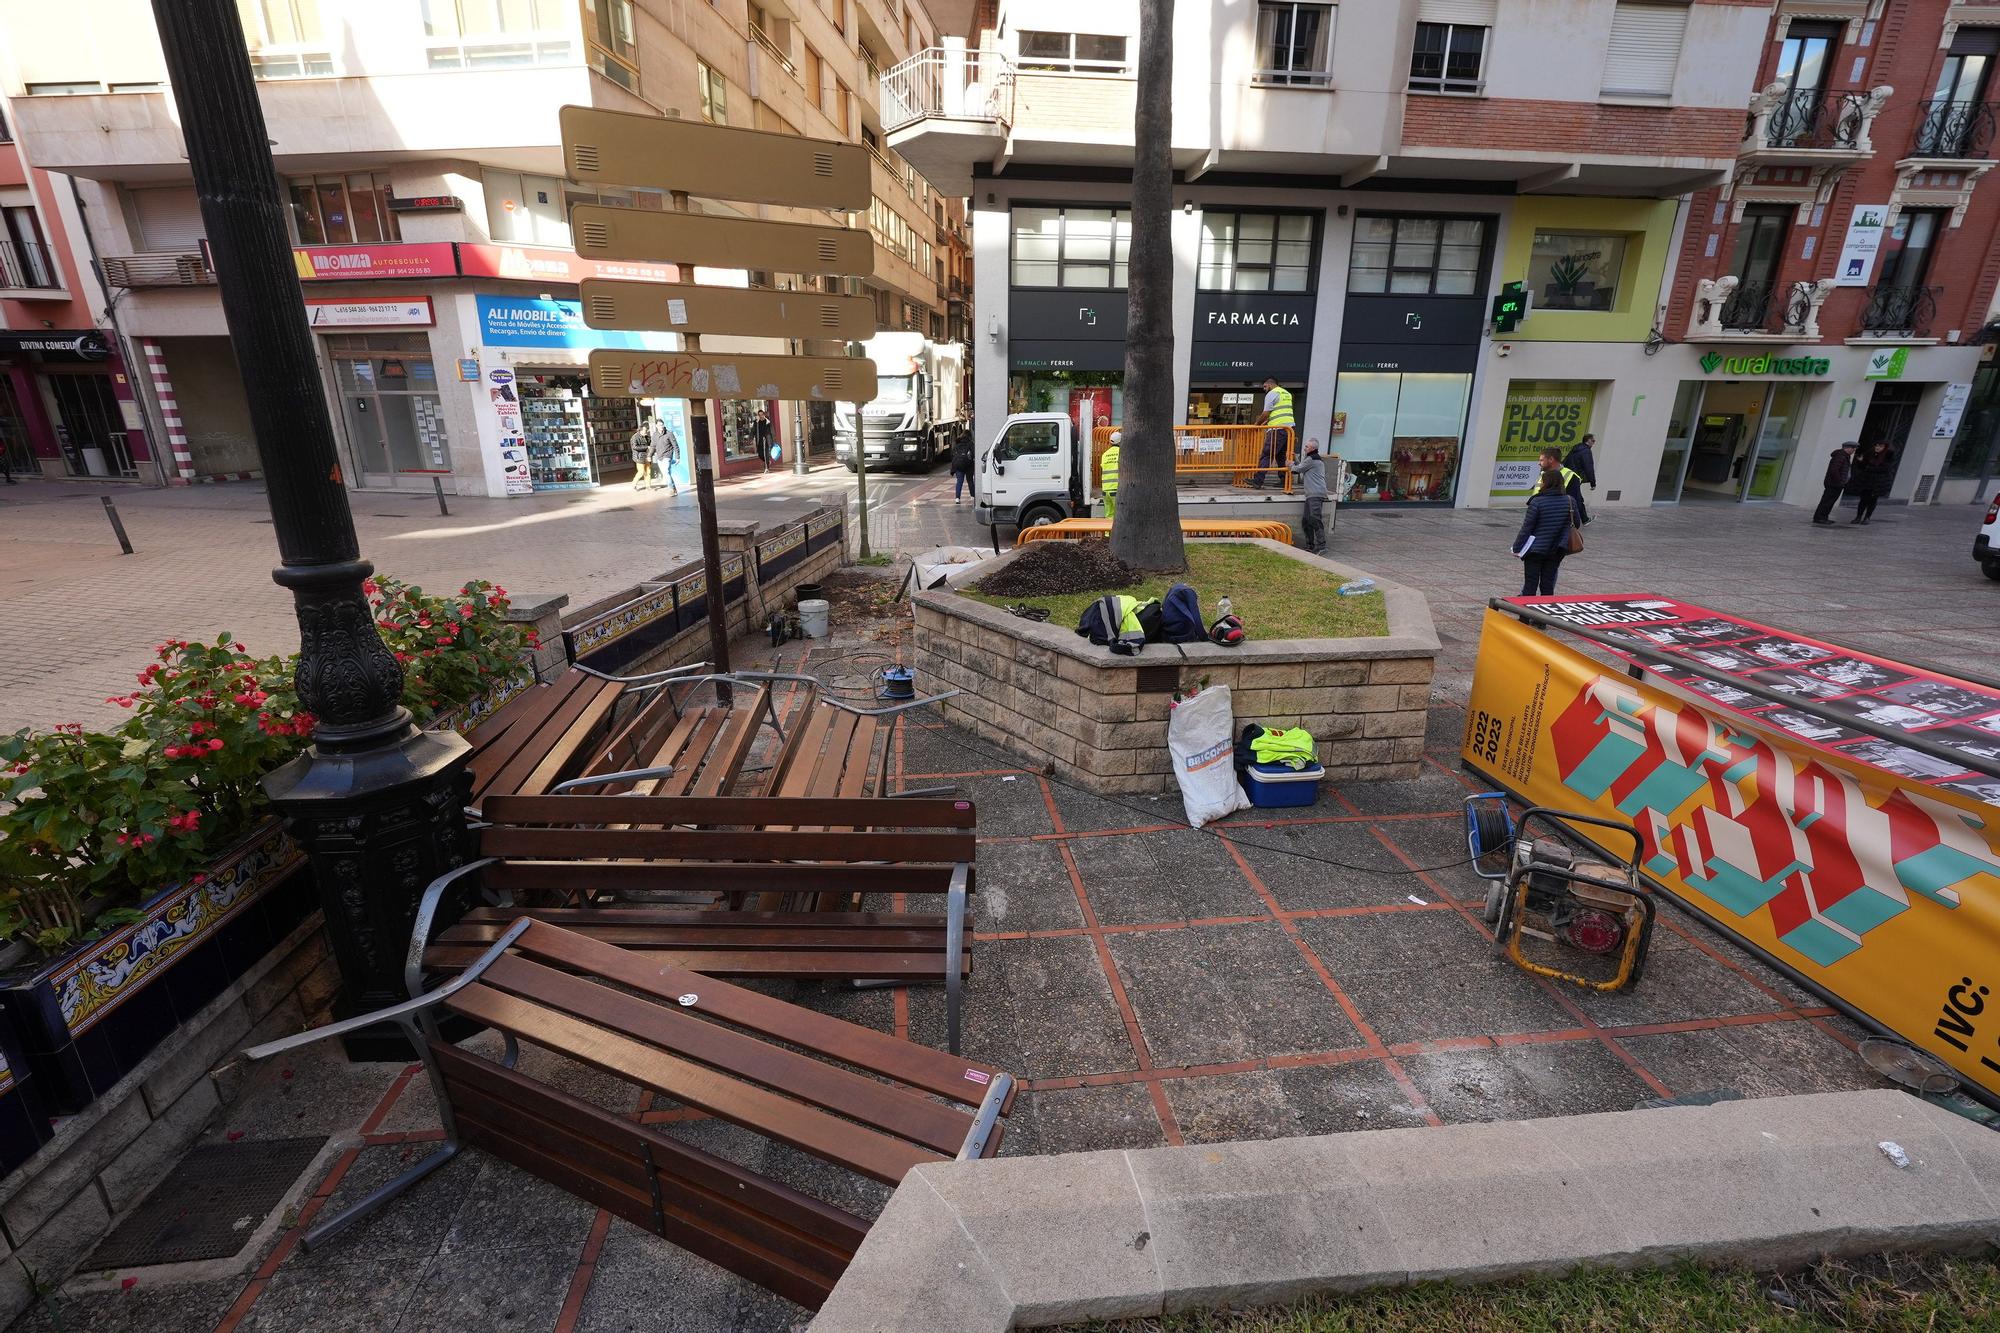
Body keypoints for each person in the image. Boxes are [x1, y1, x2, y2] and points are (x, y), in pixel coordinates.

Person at [1515, 468, 1576, 596]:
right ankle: (1544, 613)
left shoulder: (1537, 501)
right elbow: (1576, 523)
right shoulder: (1570, 501)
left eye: (1542, 481)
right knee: (1548, 585)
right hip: (1557, 549)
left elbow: (1527, 527)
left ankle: (1525, 615)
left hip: (1536, 549)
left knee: (1530, 585)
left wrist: (1517, 547)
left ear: (1546, 483)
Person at [1248, 376, 1294, 488]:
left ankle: (1258, 480)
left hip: (1277, 430)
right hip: (1288, 429)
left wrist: (1256, 424)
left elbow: (1265, 413)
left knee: (1266, 454)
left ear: (1270, 384)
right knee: (1281, 456)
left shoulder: (1272, 393)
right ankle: (1284, 480)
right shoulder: (1286, 393)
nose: (1264, 389)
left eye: (1264, 386)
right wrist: (1267, 423)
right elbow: (1278, 412)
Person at [1289, 436, 1329, 554]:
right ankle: (1310, 545)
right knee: (1306, 520)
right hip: (1311, 494)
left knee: (1315, 519)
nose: (1305, 448)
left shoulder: (1312, 459)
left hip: (1315, 494)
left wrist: (1290, 464)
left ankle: (1321, 546)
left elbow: (1297, 469)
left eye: (1306, 446)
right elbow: (1302, 466)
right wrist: (1295, 459)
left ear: (1312, 448)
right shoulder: (1312, 459)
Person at [1814, 440, 1860, 525]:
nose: (1854, 450)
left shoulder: (1845, 456)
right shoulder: (1840, 456)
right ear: (1847, 448)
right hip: (1834, 484)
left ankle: (1823, 517)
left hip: (1836, 484)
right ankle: (1820, 518)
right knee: (1827, 501)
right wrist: (1839, 481)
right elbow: (1834, 470)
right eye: (1853, 448)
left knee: (1830, 501)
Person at [1850, 440, 1896, 524]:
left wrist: (1869, 468)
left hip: (1879, 482)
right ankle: (1858, 517)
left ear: (1885, 447)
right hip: (1866, 480)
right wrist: (1860, 461)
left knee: (1872, 500)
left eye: (1880, 446)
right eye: (1876, 445)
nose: (1877, 448)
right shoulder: (1869, 453)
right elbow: (1862, 466)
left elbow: (1885, 469)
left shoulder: (1888, 456)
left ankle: (1867, 517)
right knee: (1863, 499)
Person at [1539, 448, 1588, 526]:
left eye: (1542, 460)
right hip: (1540, 518)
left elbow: (1575, 502)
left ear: (1551, 459)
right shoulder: (1543, 473)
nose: (1539, 463)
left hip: (1559, 522)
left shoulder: (1571, 476)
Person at [653, 417, 682, 495]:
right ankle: (674, 489)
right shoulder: (655, 435)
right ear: (656, 426)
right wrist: (649, 455)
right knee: (666, 473)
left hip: (667, 455)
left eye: (662, 425)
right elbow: (653, 446)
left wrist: (677, 457)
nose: (661, 427)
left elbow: (675, 445)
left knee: (666, 472)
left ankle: (671, 489)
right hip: (659, 457)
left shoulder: (669, 434)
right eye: (659, 425)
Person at [628, 414, 656, 491]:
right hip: (639, 457)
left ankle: (648, 486)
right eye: (644, 431)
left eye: (646, 430)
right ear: (640, 430)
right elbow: (635, 447)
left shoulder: (647, 437)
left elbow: (651, 444)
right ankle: (633, 484)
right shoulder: (635, 437)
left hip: (646, 456)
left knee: (648, 471)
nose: (645, 432)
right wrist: (646, 447)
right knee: (641, 472)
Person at [1099, 430, 1122, 519]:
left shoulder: (1105, 454)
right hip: (1116, 489)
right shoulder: (1122, 453)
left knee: (1109, 514)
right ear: (1120, 442)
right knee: (1119, 516)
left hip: (1105, 490)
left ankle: (1108, 533)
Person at [951, 428, 975, 503]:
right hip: (968, 464)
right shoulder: (970, 443)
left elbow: (953, 453)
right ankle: (973, 496)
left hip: (958, 464)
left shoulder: (957, 442)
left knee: (959, 481)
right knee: (970, 481)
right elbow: (973, 454)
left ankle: (957, 498)